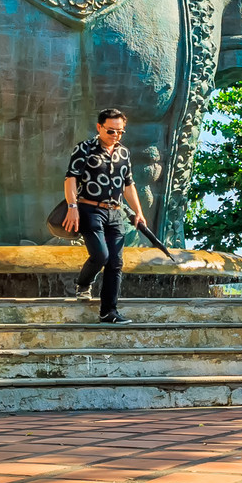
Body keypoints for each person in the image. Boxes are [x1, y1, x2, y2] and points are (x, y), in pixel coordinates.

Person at [65, 108, 146, 323]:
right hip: (89, 209)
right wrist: (72, 206)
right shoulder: (84, 149)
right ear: (99, 127)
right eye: (111, 131)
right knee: (101, 255)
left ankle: (108, 311)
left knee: (116, 262)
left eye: (120, 132)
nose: (116, 136)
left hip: (115, 212)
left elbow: (128, 184)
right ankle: (83, 282)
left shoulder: (124, 153)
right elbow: (71, 178)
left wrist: (138, 212)